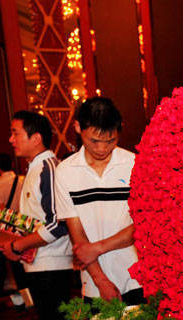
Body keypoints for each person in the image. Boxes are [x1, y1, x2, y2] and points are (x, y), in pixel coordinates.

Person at [55, 97, 142, 304]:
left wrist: (98, 247)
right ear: (78, 127)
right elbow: (77, 235)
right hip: (94, 283)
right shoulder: (65, 171)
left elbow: (142, 225)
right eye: (94, 141)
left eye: (111, 141)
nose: (102, 148)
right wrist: (101, 280)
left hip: (138, 278)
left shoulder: (134, 164)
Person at [2, 110, 75, 320]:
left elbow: (59, 224)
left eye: (15, 133)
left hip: (52, 267)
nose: (11, 139)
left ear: (36, 138)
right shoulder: (35, 168)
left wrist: (18, 245)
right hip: (38, 263)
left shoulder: (48, 169)